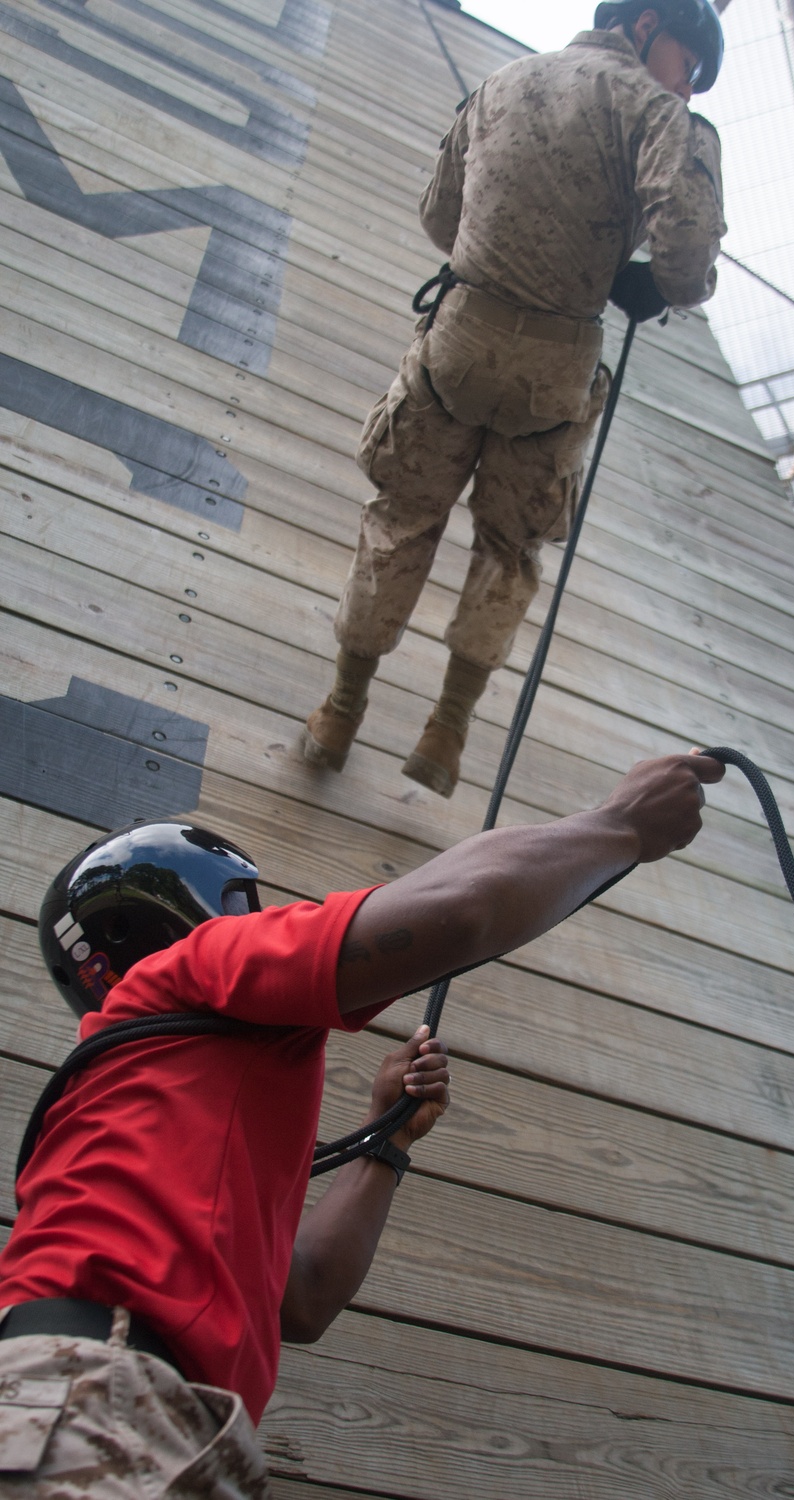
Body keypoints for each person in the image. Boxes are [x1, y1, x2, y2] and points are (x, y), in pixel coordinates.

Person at [0, 750, 723, 1496]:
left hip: (116, 1407)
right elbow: (462, 909)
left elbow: (304, 1298)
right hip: (97, 1396)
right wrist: (622, 824)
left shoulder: (133, 1111)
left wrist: (388, 1139)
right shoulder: (190, 971)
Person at [303, 0, 727, 797]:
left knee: (399, 519)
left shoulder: (501, 82)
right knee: (510, 548)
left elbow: (439, 216)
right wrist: (636, 278)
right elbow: (687, 263)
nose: (692, 86)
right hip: (554, 373)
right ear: (646, 29)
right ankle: (446, 732)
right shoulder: (663, 117)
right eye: (690, 64)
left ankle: (339, 711)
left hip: (456, 345)